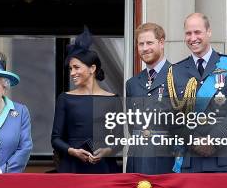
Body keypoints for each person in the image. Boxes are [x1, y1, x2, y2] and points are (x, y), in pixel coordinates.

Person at [168, 13, 227, 173]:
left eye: (197, 32)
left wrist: (213, 141)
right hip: (191, 158)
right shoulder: (175, 72)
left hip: (226, 157)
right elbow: (172, 116)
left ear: (209, 32)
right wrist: (195, 141)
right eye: (188, 33)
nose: (193, 38)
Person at [51, 28, 121, 174]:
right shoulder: (65, 98)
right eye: (70, 69)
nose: (72, 73)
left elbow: (120, 140)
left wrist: (107, 150)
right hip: (72, 167)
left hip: (104, 168)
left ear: (92, 68)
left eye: (76, 67)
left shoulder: (112, 99)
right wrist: (73, 151)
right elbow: (56, 139)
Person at [125, 23, 174, 174]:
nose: (145, 48)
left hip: (167, 161)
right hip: (137, 161)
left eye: (149, 43)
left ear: (161, 43)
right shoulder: (132, 84)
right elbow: (133, 126)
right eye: (141, 44)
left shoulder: (179, 76)